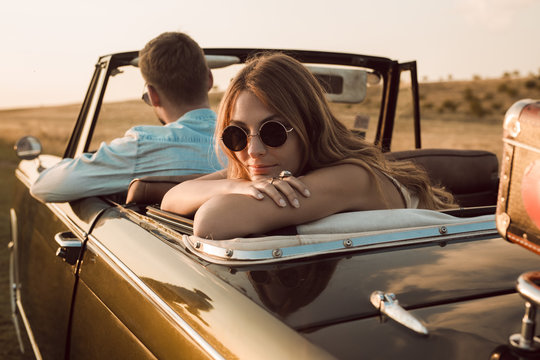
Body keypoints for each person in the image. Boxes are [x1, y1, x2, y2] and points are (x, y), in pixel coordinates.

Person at [161, 52, 455, 240]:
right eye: (236, 134)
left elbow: (214, 220)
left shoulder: (353, 178)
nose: (253, 151)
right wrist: (234, 185)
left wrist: (237, 188)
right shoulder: (269, 169)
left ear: (308, 127)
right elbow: (172, 198)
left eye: (273, 131)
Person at [31, 32, 221, 203]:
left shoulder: (142, 147)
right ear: (210, 79)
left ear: (152, 95)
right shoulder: (245, 144)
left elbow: (44, 187)